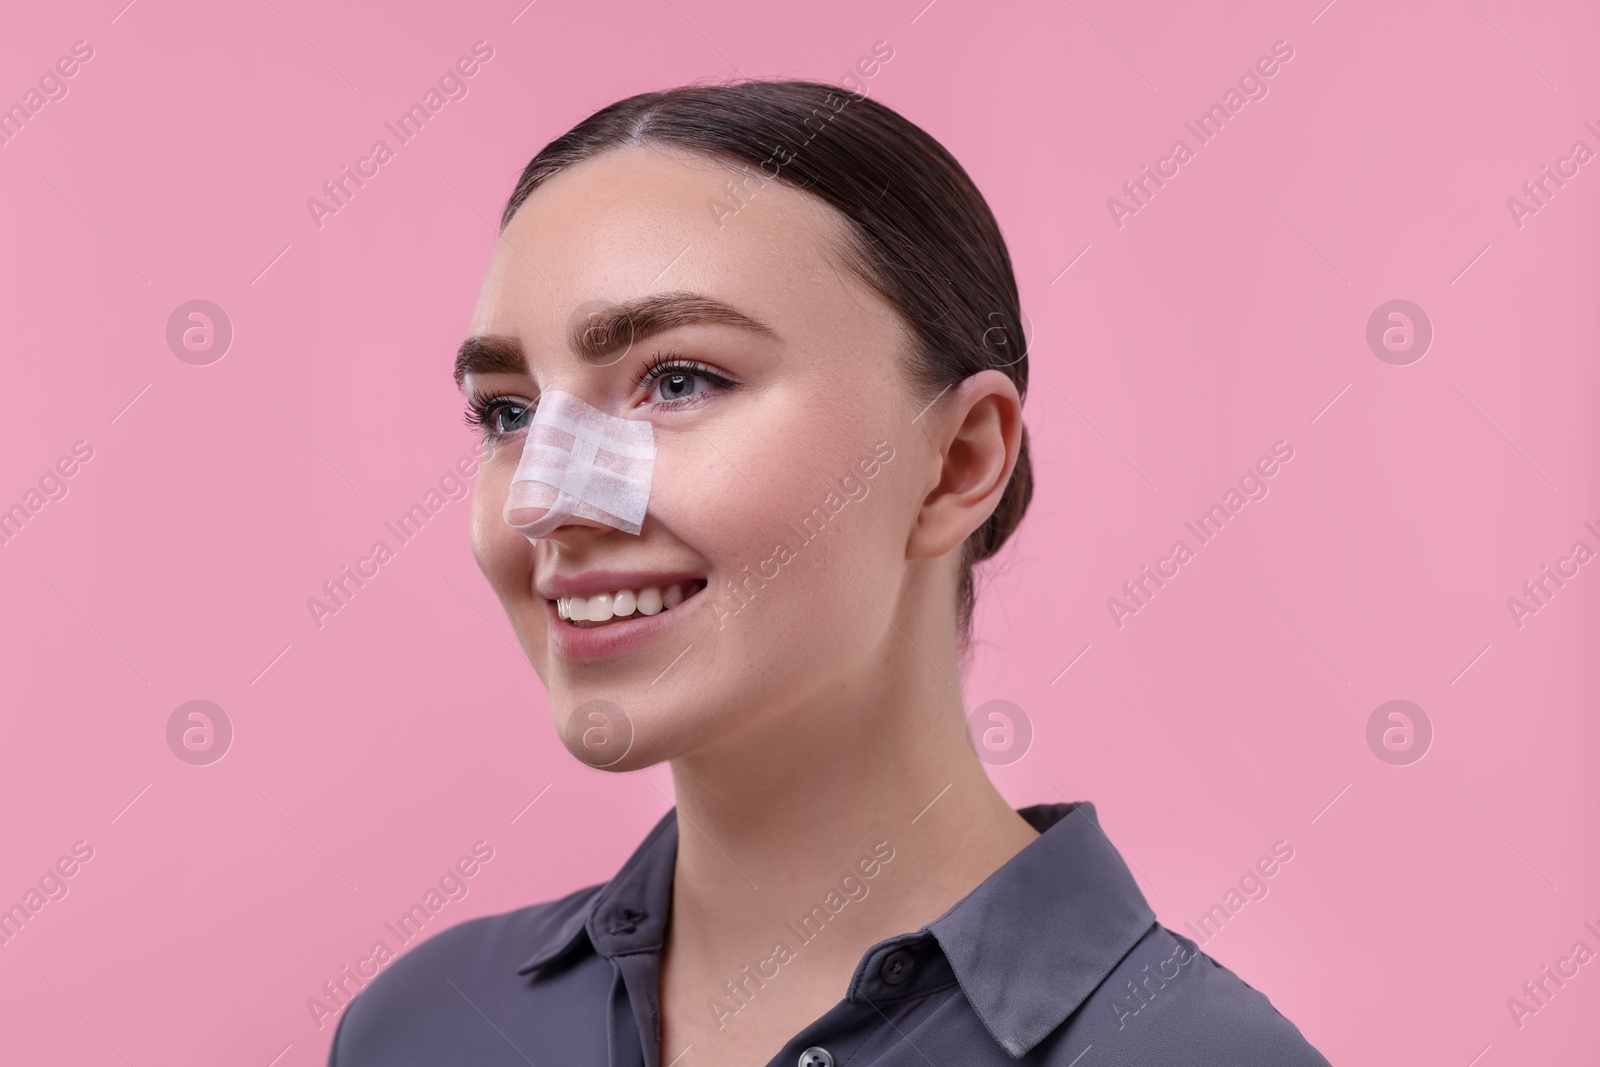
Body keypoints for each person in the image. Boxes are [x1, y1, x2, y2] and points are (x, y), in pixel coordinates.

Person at [326, 79, 1330, 1067]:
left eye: (677, 381)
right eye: (508, 412)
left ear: (958, 461)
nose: (543, 500)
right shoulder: (426, 1026)